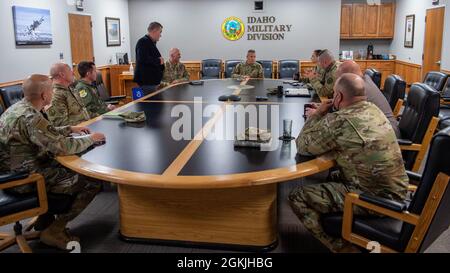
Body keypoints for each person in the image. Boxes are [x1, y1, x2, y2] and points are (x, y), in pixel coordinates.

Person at [289, 73, 409, 253]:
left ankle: (343, 248)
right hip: (398, 192)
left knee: (297, 196)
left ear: (338, 97)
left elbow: (303, 146)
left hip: (373, 200)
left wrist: (318, 114)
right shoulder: (374, 109)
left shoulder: (341, 120)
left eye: (334, 94)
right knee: (335, 173)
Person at [0, 74, 106, 250]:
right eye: (51, 90)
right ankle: (55, 230)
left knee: (65, 166)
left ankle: (45, 219)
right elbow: (62, 146)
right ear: (44, 95)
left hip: (9, 175)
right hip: (26, 180)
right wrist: (91, 139)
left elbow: (43, 132)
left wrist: (69, 128)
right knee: (91, 180)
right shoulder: (31, 117)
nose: (53, 93)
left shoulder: (17, 109)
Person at [336, 60, 401, 138]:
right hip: (382, 127)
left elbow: (344, 113)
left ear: (348, 77)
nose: (339, 81)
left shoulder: (359, 90)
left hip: (388, 134)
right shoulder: (366, 79)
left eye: (340, 78)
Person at [134, 21, 164, 96]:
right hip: (147, 82)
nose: (160, 35)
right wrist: (159, 61)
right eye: (160, 32)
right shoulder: (143, 42)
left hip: (152, 82)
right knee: (150, 106)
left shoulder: (150, 42)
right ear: (154, 31)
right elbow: (143, 59)